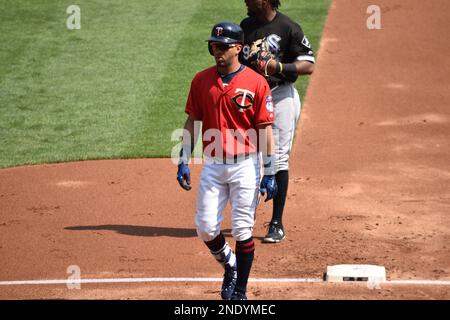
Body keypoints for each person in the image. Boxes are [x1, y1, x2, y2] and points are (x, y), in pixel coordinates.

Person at [176, 21, 277, 300]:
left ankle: (240, 292)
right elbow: (192, 122)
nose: (217, 52)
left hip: (246, 164)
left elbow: (265, 130)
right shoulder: (201, 80)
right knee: (206, 227)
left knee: (243, 228)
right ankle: (230, 265)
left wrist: (270, 172)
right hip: (212, 164)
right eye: (213, 47)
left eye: (222, 47)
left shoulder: (257, 82)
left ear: (238, 48)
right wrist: (183, 158)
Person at [240, 0, 315, 243]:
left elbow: (308, 64)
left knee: (279, 157)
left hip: (280, 95)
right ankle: (246, 217)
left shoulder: (288, 27)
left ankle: (276, 223)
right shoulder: (245, 26)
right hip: (251, 96)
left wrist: (277, 66)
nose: (245, 1)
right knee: (249, 155)